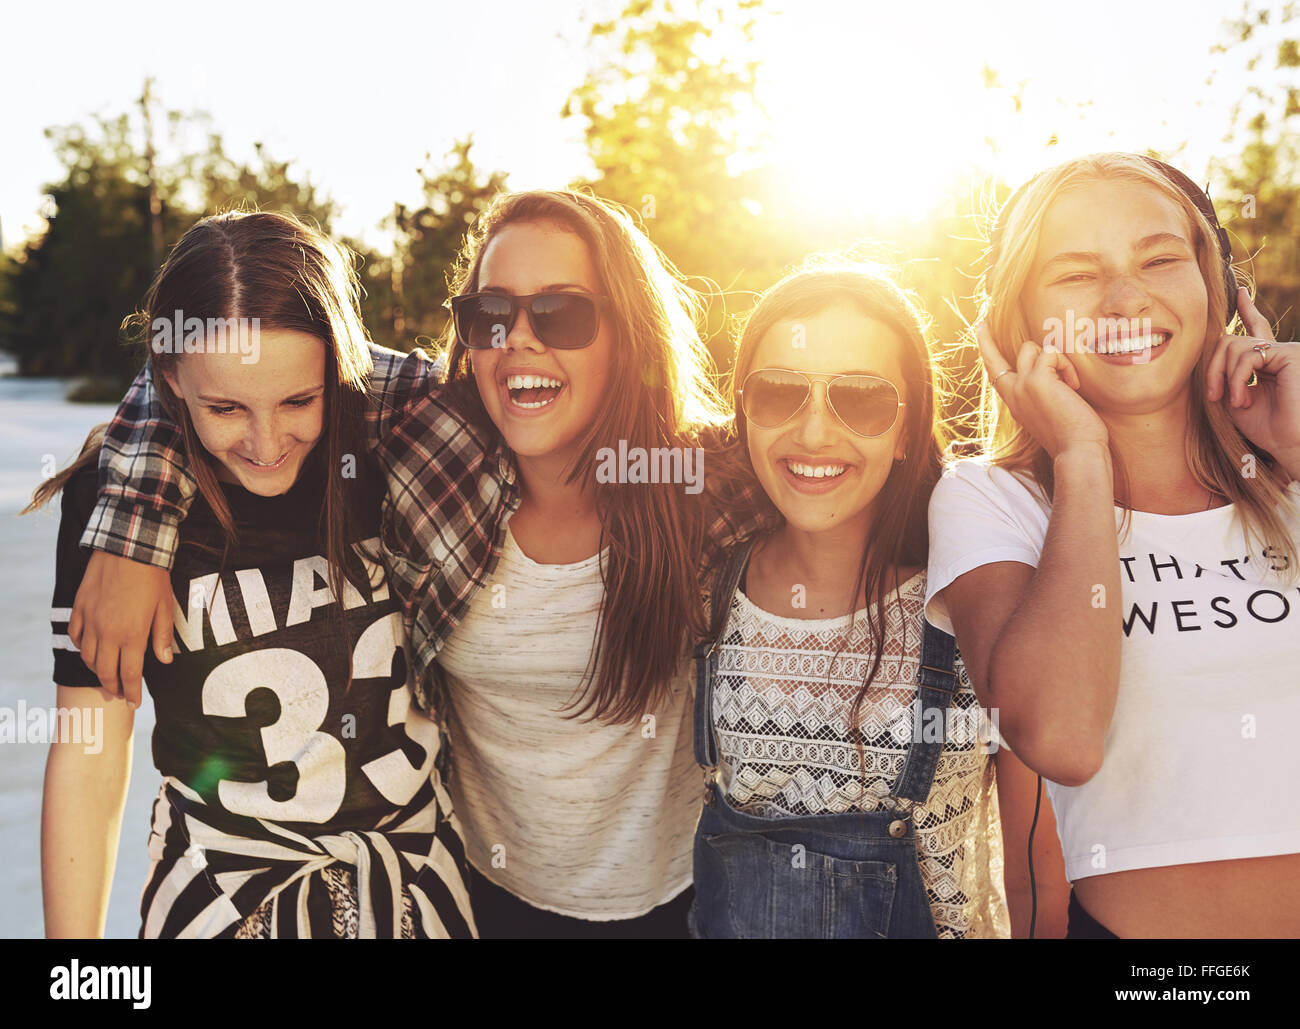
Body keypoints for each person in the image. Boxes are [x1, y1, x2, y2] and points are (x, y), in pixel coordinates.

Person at [62, 191, 768, 938]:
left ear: (626, 330)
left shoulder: (698, 481)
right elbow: (226, 365)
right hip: (476, 892)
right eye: (492, 315)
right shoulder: (437, 438)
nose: (521, 340)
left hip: (680, 903)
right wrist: (130, 532)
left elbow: (827, 459)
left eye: (561, 313)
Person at [34, 211, 475, 938]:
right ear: (169, 377)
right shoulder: (117, 502)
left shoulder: (392, 448)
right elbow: (90, 747)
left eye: (300, 400)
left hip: (414, 876)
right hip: (221, 888)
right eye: (226, 407)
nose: (268, 443)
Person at [925, 152, 1300, 938]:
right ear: (1017, 319)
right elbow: (1061, 736)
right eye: (1075, 274)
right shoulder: (993, 501)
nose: (1126, 299)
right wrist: (1082, 459)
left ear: (1215, 285)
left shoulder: (1291, 467)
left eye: (1160, 259)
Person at [690, 262, 1012, 938]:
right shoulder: (709, 594)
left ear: (905, 428)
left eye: (860, 398)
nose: (812, 433)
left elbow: (1041, 859)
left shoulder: (969, 601)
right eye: (778, 393)